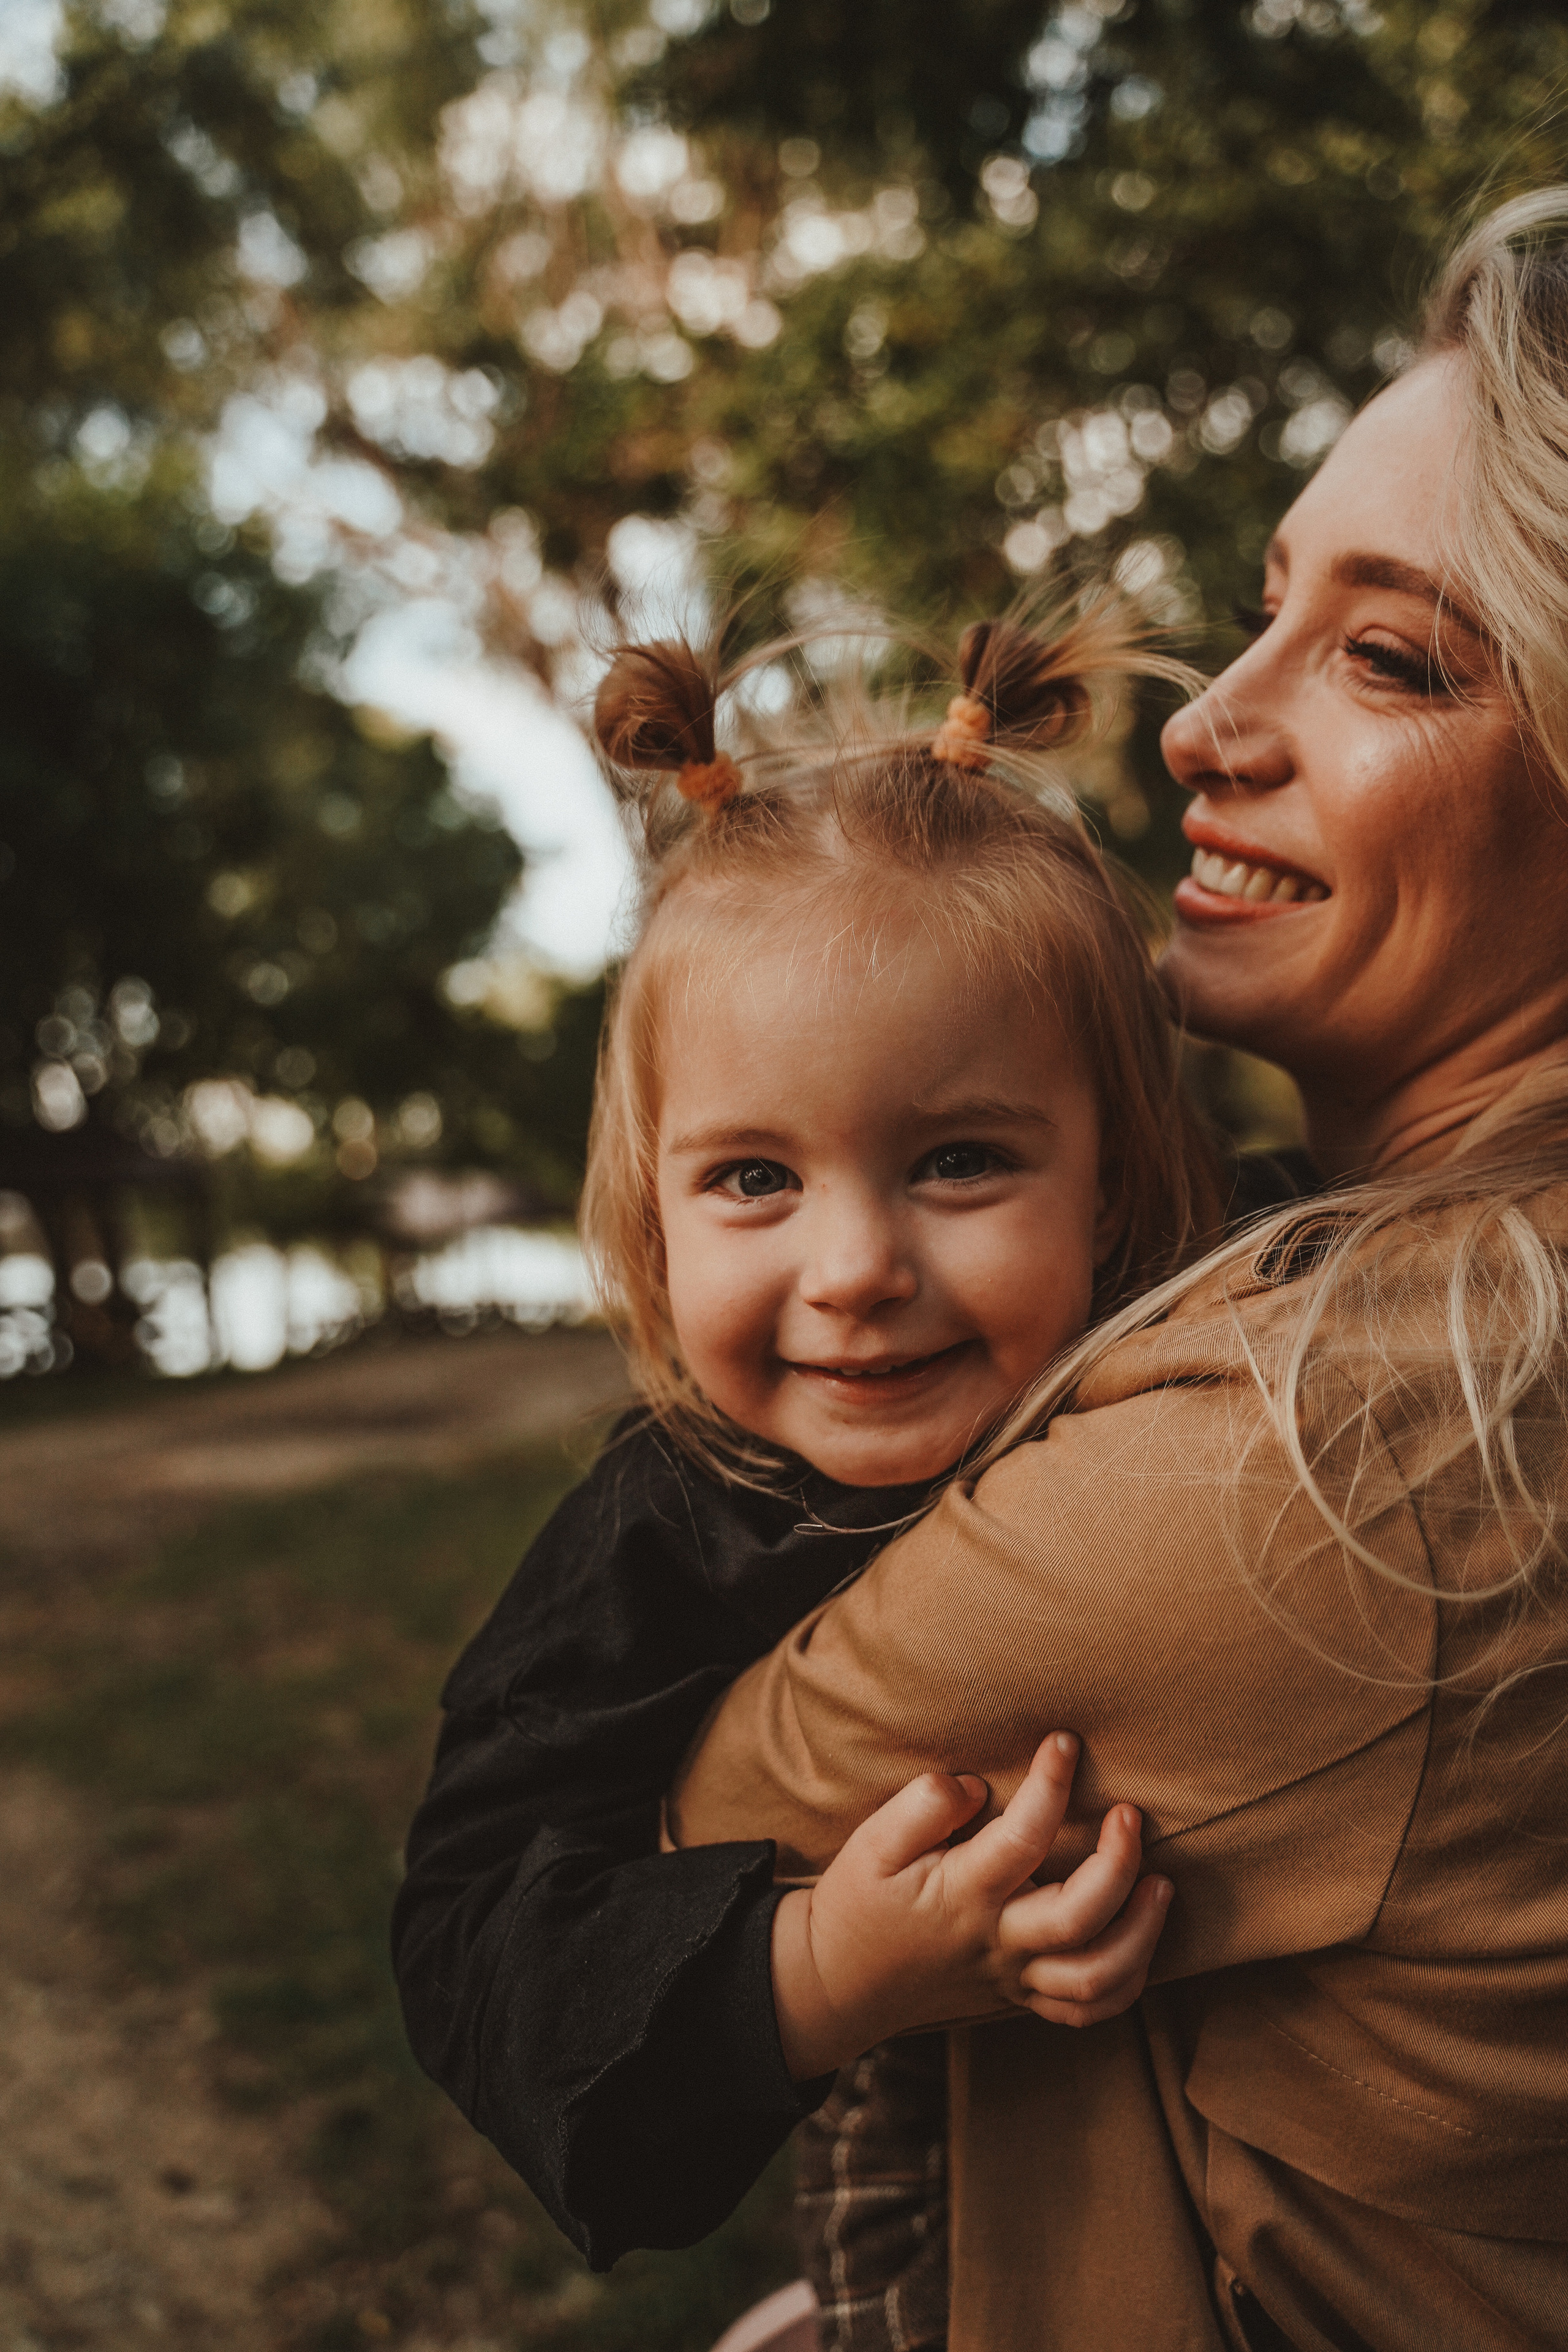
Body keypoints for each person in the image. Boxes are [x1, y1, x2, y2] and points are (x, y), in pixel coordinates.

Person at [666, 190, 1568, 2351]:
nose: (1198, 726)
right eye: (1272, 608)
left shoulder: (1365, 1435)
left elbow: (695, 1802)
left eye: (1391, 657)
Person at [392, 602, 1277, 2336]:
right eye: (753, 1182)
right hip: (937, 2219)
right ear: (653, 1211)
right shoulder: (672, 1527)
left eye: (956, 1159)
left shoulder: (1224, 1320)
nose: (855, 1268)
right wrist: (829, 1969)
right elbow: (470, 1926)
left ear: (1108, 1180)